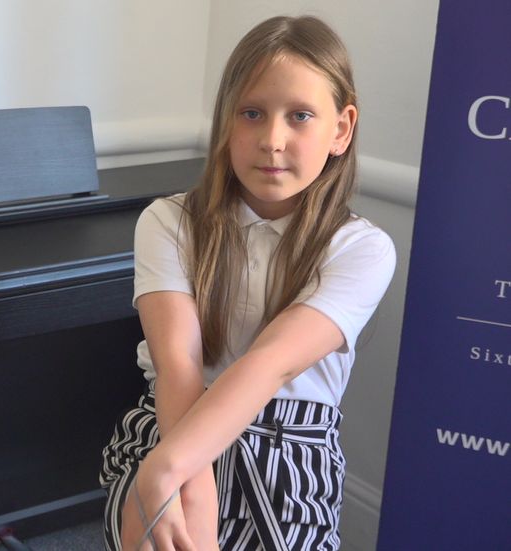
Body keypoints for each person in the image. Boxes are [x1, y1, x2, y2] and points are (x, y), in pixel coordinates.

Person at [99, 15, 396, 551]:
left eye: (299, 116)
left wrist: (168, 471)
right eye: (252, 113)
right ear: (226, 122)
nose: (271, 140)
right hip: (175, 418)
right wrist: (185, 480)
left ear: (341, 129)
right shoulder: (168, 221)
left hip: (290, 456)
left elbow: (269, 364)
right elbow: (178, 365)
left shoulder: (362, 248)